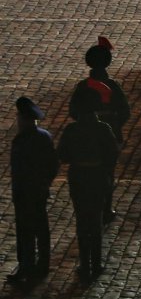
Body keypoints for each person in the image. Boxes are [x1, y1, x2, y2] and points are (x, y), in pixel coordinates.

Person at [57, 81, 119, 282]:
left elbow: (63, 155)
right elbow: (113, 154)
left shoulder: (72, 130)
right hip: (98, 176)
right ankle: (96, 262)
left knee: (82, 220)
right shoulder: (103, 128)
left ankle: (85, 264)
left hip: (79, 177)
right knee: (96, 219)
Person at [70, 36, 130, 224]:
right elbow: (125, 111)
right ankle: (106, 209)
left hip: (86, 137)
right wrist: (116, 125)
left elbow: (73, 111)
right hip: (109, 137)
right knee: (108, 175)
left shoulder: (83, 86)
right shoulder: (112, 86)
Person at [8, 97, 59, 284]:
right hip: (27, 191)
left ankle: (33, 267)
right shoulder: (37, 137)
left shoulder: (30, 139)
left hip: (31, 191)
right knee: (28, 230)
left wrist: (43, 183)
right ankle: (29, 266)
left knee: (33, 230)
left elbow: (51, 165)